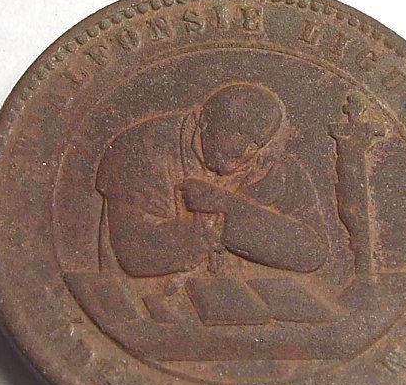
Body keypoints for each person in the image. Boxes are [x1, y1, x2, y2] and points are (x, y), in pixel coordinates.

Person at [95, 83, 329, 323]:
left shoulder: (274, 167)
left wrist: (230, 207)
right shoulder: (142, 149)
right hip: (143, 313)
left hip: (247, 316)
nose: (242, 150)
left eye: (255, 142)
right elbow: (136, 255)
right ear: (203, 120)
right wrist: (201, 230)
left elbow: (312, 251)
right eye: (236, 133)